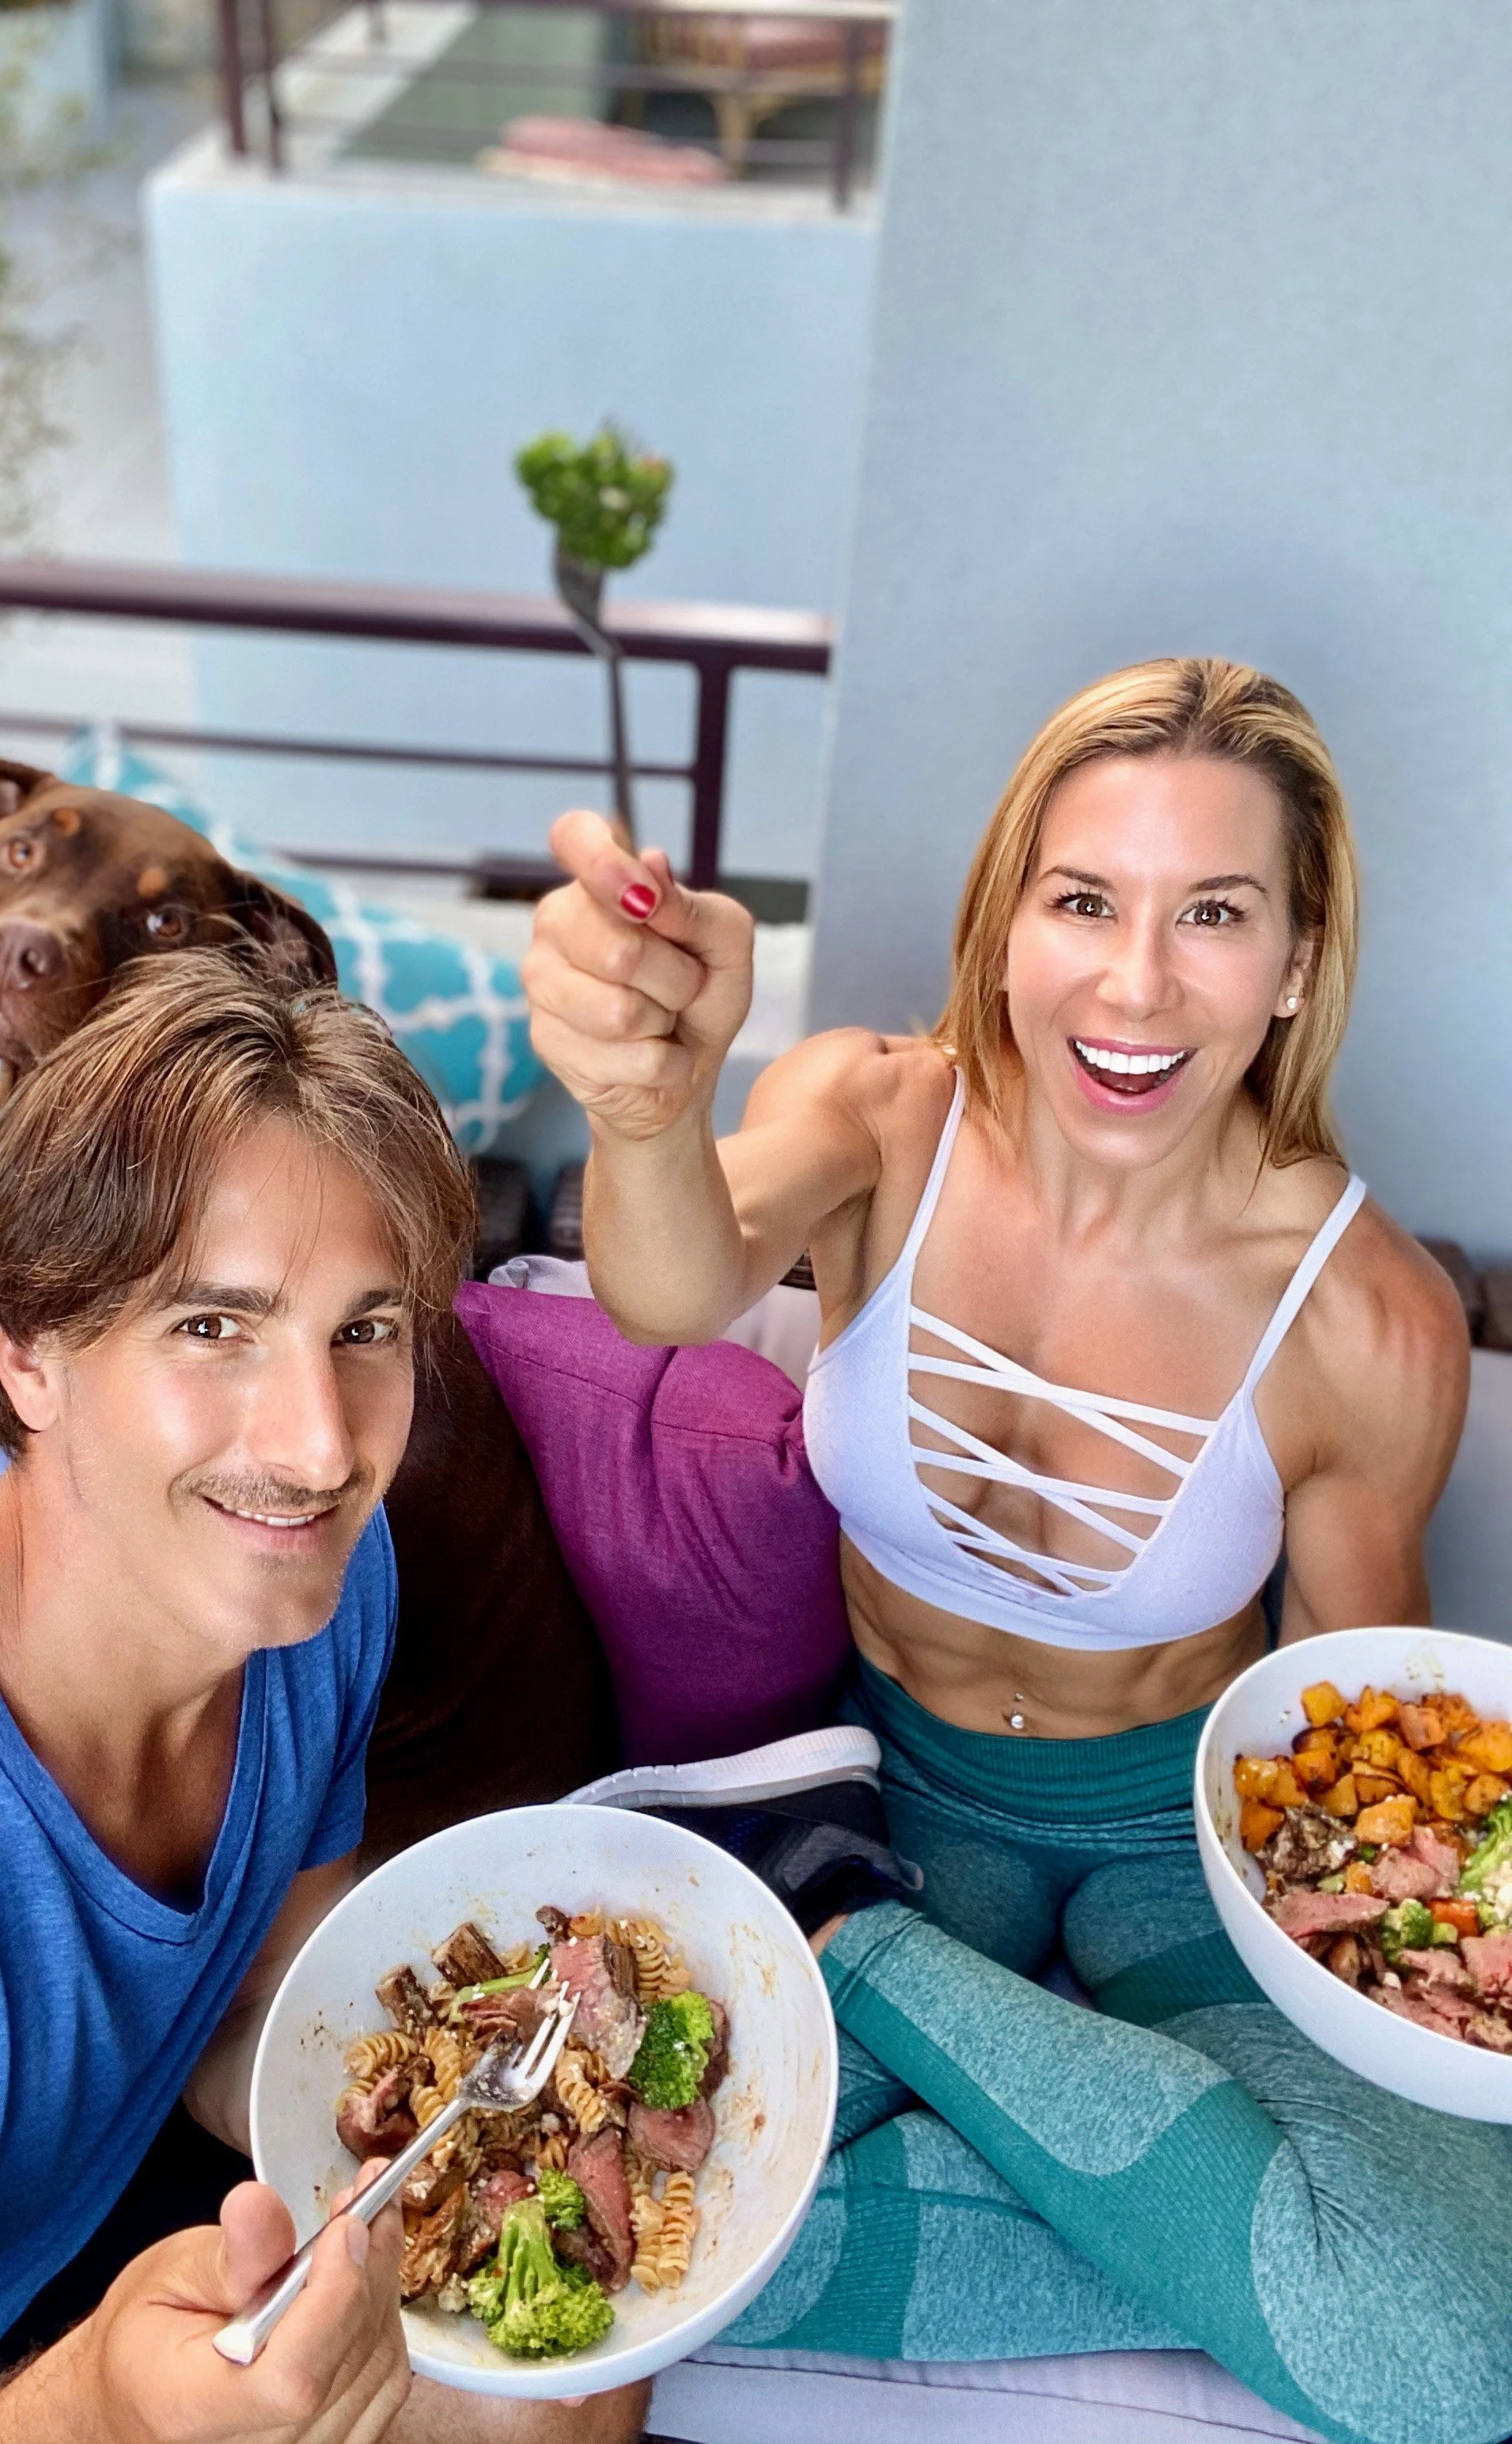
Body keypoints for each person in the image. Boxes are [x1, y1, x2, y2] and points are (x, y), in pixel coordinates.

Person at [524, 659, 1512, 2444]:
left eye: (1215, 912)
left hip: (1177, 1841)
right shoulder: (880, 1116)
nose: (1136, 982)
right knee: (593, 2209)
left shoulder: (1368, 1316)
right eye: (1085, 900)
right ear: (1004, 929)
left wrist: (1451, 1984)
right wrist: (649, 1102)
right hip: (901, 1796)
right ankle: (1192, 2203)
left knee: (1454, 2366)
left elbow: (1353, 1743)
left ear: (1295, 961)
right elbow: (670, 1282)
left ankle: (869, 1977)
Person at [0, 954, 645, 2444]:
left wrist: (491, 2108)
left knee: (566, 2386)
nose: (322, 1448)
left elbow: (260, 1999)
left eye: (365, 1331)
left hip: (101, 2230)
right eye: (214, 1328)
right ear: (27, 1349)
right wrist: (105, 2405)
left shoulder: (316, 1580)